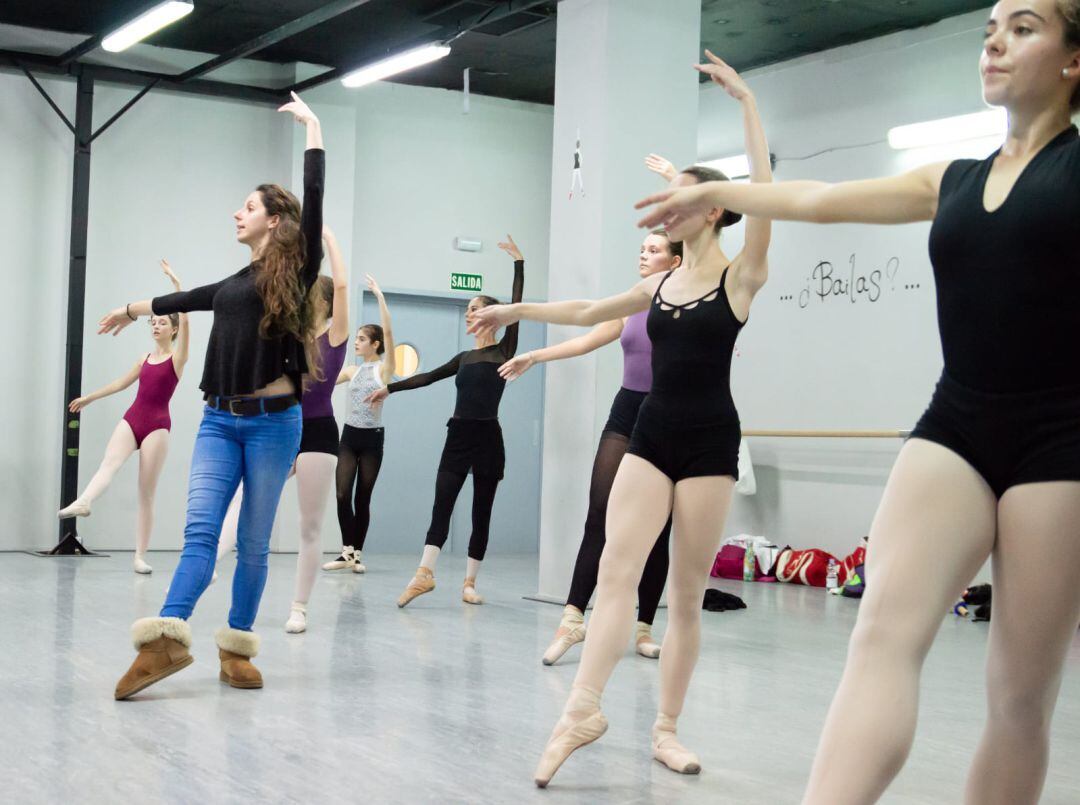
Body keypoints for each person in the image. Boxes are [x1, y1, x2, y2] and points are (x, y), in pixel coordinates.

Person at [635, 4, 1080, 801]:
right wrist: (717, 190)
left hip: (1063, 441)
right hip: (958, 422)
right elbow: (819, 199)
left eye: (1024, 26)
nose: (994, 40)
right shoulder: (954, 179)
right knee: (878, 635)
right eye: (991, 26)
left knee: (1018, 696)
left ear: (1074, 60)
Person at [472, 52, 772, 786]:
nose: (663, 205)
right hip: (652, 433)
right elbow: (586, 312)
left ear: (714, 210)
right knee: (614, 569)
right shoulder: (659, 282)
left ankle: (666, 730)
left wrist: (747, 105)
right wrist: (518, 310)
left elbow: (768, 196)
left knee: (685, 594)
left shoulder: (740, 276)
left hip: (709, 444)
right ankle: (582, 707)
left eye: (678, 196)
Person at [106, 91, 325, 699]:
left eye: (247, 207)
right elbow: (183, 300)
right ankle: (166, 642)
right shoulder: (232, 281)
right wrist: (130, 309)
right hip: (217, 421)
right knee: (201, 533)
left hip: (273, 424)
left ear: (275, 220)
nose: (237, 213)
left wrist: (314, 129)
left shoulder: (296, 271)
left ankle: (236, 647)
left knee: (253, 542)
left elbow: (316, 197)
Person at [499, 226, 683, 666]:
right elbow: (587, 336)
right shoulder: (633, 301)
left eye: (654, 250)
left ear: (675, 261)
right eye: (642, 248)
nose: (643, 255)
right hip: (626, 411)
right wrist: (535, 356)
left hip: (668, 415)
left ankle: (643, 628)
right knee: (599, 511)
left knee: (658, 528)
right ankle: (572, 618)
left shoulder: (685, 307)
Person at [365, 237, 524, 608]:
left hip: (488, 437)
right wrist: (390, 388)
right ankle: (424, 575)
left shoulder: (504, 350)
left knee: (480, 512)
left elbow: (516, 306)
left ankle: (470, 583)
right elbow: (428, 377)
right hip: (458, 436)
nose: (469, 314)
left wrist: (519, 263)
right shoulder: (464, 356)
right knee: (442, 504)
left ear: (491, 316)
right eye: (468, 309)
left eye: (473, 309)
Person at [214, 226, 350, 634]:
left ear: (323, 304)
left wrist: (326, 239)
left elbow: (341, 284)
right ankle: (212, 562)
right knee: (241, 498)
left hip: (318, 433)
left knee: (309, 525)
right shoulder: (291, 336)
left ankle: (299, 608)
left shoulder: (336, 335)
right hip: (279, 426)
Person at [59, 260, 189, 574]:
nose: (156, 326)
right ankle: (86, 501)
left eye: (161, 322)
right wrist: (90, 397)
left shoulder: (178, 357)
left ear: (173, 329)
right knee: (109, 462)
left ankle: (139, 556)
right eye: (152, 322)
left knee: (145, 494)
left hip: (158, 426)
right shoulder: (144, 358)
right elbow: (121, 383)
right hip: (133, 418)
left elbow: (186, 319)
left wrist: (177, 287)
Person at [324, 274, 396, 575]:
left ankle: (357, 555)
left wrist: (380, 298)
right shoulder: (352, 369)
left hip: (372, 440)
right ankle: (346, 552)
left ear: (375, 344)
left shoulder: (385, 369)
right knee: (342, 494)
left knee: (362, 497)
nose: (356, 342)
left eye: (362, 339)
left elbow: (391, 334)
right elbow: (323, 382)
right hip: (349, 436)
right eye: (356, 338)